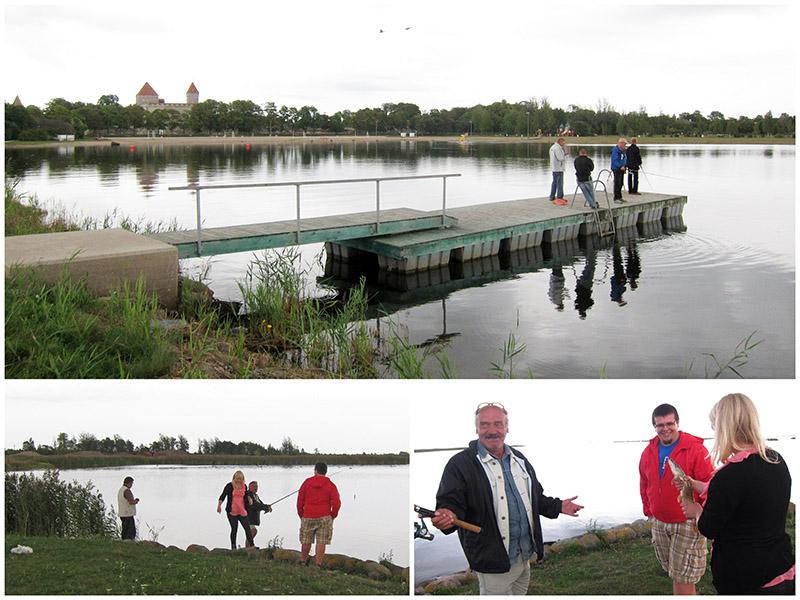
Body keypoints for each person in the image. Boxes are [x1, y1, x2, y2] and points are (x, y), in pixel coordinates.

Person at [431, 403, 583, 595]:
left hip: (524, 555)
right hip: (493, 562)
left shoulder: (519, 459)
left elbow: (534, 498)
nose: (492, 430)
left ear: (507, 428)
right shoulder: (460, 464)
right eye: (485, 425)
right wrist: (447, 515)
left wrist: (559, 506)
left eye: (498, 424)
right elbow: (450, 504)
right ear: (476, 429)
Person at [677, 394, 794, 595]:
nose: (713, 430)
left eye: (714, 425)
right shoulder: (776, 460)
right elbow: (749, 495)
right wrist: (702, 486)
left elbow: (709, 528)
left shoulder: (729, 475)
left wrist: (696, 510)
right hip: (781, 569)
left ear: (725, 427)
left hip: (745, 580)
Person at [638, 403, 714, 595]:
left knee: (682, 577)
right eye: (660, 425)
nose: (665, 429)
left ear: (678, 423)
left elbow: (710, 485)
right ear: (654, 427)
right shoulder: (648, 452)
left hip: (687, 522)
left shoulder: (695, 449)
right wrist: (649, 512)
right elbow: (644, 483)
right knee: (677, 574)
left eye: (669, 423)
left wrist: (704, 516)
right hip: (659, 522)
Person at [297, 462, 341, 567]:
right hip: (325, 516)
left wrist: (301, 514)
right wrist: (332, 515)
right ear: (325, 472)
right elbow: (336, 503)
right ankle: (318, 564)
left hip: (308, 515)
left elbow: (300, 501)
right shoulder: (330, 485)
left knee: (306, 540)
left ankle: (303, 561)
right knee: (321, 541)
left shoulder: (306, 483)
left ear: (315, 471)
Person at [217, 470, 256, 550]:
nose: (238, 480)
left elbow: (246, 495)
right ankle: (233, 547)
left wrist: (249, 499)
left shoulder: (244, 486)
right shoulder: (229, 486)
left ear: (242, 479)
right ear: (234, 478)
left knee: (247, 528)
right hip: (232, 511)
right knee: (234, 529)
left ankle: (252, 545)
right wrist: (219, 506)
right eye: (237, 479)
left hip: (242, 510)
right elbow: (223, 496)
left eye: (240, 479)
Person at [247, 480, 273, 545]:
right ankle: (248, 548)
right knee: (253, 532)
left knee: (252, 532)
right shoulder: (248, 494)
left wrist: (266, 507)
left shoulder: (256, 496)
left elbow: (260, 504)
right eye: (253, 486)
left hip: (252, 518)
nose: (255, 488)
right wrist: (265, 507)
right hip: (248, 517)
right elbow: (254, 504)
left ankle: (249, 546)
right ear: (249, 487)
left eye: (256, 487)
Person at [548, 138, 570, 205]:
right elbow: (560, 158)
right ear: (560, 142)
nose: (564, 144)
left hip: (554, 168)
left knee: (554, 182)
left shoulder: (553, 147)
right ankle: (559, 197)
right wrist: (567, 156)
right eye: (563, 143)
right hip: (558, 168)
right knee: (559, 183)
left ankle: (552, 196)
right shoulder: (557, 148)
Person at [117, 476, 140, 540]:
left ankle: (124, 541)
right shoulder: (127, 491)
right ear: (129, 483)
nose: (131, 485)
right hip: (127, 514)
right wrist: (136, 501)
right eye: (131, 483)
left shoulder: (121, 490)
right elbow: (131, 502)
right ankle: (129, 541)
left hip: (122, 513)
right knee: (130, 530)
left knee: (125, 530)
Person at [611, 138, 627, 202]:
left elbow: (623, 159)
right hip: (616, 169)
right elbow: (614, 160)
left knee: (621, 183)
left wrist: (624, 167)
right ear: (621, 143)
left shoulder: (621, 151)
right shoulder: (615, 150)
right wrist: (620, 166)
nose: (625, 145)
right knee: (617, 183)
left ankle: (620, 197)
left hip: (621, 169)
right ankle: (616, 198)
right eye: (624, 144)